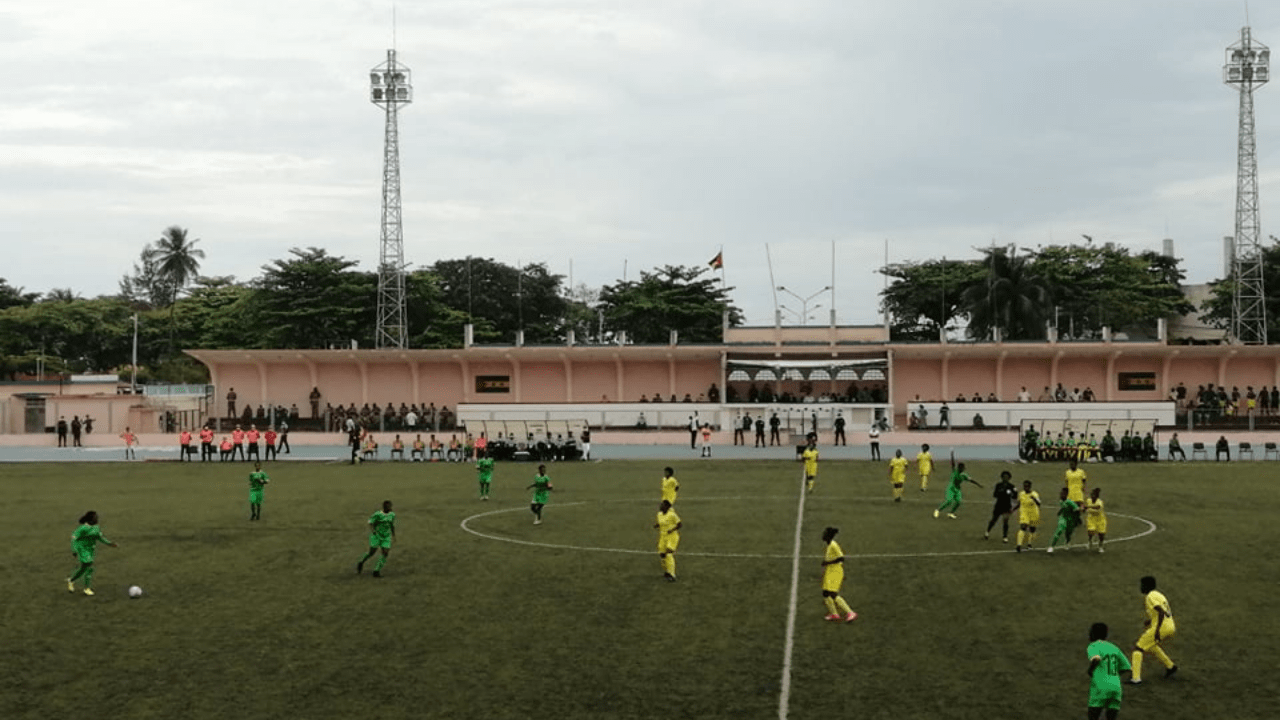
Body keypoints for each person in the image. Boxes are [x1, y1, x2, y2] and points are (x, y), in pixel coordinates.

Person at [1129, 576, 1177, 684]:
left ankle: (1135, 678)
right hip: (1170, 625)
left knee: (1138, 648)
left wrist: (1156, 630)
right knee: (1150, 646)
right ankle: (1170, 666)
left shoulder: (1150, 596)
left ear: (1147, 586)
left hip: (1162, 627)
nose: (1140, 588)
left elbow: (1160, 612)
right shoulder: (1159, 595)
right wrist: (1150, 621)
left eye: (1142, 585)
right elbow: (1164, 611)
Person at [66, 511, 118, 596]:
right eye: (95, 518)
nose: (97, 519)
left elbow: (100, 538)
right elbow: (74, 538)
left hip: (90, 550)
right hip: (82, 548)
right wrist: (74, 549)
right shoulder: (83, 528)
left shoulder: (96, 528)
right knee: (89, 565)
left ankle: (71, 580)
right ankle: (87, 588)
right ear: (90, 519)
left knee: (84, 568)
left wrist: (110, 543)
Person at [1086, 622, 1132, 720]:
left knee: (1093, 715)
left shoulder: (1093, 646)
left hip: (1101, 686)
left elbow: (1096, 659)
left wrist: (1090, 670)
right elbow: (1126, 667)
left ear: (1093, 634)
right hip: (1116, 687)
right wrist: (1115, 676)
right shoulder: (1114, 647)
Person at [820, 527, 857, 623]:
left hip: (836, 572)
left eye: (825, 534)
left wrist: (827, 563)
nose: (823, 535)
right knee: (825, 593)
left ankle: (850, 612)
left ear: (829, 536)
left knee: (833, 594)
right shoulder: (829, 545)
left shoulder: (833, 545)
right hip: (830, 571)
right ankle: (834, 614)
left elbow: (841, 558)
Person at [356, 500, 396, 578]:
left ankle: (376, 570)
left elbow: (392, 525)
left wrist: (393, 535)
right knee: (372, 552)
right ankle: (361, 562)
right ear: (384, 507)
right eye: (388, 506)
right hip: (377, 536)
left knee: (385, 553)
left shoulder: (392, 515)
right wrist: (373, 531)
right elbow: (370, 522)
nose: (390, 508)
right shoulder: (377, 514)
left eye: (391, 506)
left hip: (386, 536)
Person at [934, 454, 981, 518]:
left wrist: (978, 484)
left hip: (957, 489)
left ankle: (951, 513)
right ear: (959, 468)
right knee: (949, 501)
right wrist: (952, 455)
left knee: (958, 501)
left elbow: (971, 480)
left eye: (963, 468)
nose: (963, 469)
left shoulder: (964, 475)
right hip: (951, 488)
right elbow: (953, 464)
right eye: (962, 468)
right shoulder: (955, 471)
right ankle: (937, 510)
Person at [985, 470, 1018, 542]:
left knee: (1005, 521)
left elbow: (1015, 496)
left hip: (1006, 505)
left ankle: (1005, 536)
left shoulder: (1011, 486)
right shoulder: (998, 485)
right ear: (1002, 477)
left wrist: (1011, 493)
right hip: (999, 505)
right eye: (1004, 477)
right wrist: (1001, 492)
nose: (1005, 478)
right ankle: (988, 531)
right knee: (994, 519)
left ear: (1009, 478)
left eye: (1007, 477)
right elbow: (995, 495)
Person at [1046, 487, 1081, 553]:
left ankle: (1067, 542)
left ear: (1066, 494)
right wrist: (1060, 511)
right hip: (1063, 518)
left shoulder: (1070, 502)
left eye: (1063, 494)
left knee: (1068, 533)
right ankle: (1051, 546)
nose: (1061, 495)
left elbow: (1077, 509)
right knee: (1059, 530)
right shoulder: (1061, 501)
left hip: (1070, 519)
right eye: (1061, 494)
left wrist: (1077, 518)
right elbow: (1063, 507)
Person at [654, 499, 682, 582]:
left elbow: (679, 524)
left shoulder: (672, 515)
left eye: (662, 505)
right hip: (663, 537)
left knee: (669, 554)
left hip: (672, 536)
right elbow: (661, 523)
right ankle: (667, 571)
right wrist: (657, 525)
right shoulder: (659, 515)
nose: (660, 506)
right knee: (662, 555)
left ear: (667, 507)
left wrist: (672, 529)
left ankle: (672, 574)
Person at [1014, 480, 1041, 553]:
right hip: (1024, 513)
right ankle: (1019, 545)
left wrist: (1034, 499)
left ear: (1030, 487)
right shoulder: (1021, 494)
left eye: (1027, 486)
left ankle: (1029, 544)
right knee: (1023, 527)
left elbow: (1039, 504)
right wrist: (1013, 509)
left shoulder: (1034, 494)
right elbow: (1019, 503)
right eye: (1024, 486)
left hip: (1033, 513)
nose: (1025, 488)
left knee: (1032, 529)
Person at [1064, 457, 1087, 525]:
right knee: (1071, 506)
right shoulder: (1067, 472)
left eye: (1073, 464)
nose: (1071, 465)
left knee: (1079, 506)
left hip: (1078, 490)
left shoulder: (1081, 472)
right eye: (1070, 464)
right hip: (1070, 491)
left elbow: (1084, 480)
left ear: (1076, 464)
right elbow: (1066, 482)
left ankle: (1077, 518)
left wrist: (1083, 487)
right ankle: (1076, 519)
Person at [1085, 487, 1107, 553]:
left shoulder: (1099, 502)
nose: (1092, 496)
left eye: (1093, 495)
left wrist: (1088, 507)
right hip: (1091, 519)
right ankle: (1090, 541)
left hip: (1100, 520)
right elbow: (1084, 508)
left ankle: (1100, 546)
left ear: (1097, 496)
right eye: (1091, 495)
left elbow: (1097, 507)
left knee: (1101, 534)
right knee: (1091, 531)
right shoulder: (1088, 500)